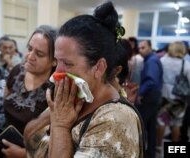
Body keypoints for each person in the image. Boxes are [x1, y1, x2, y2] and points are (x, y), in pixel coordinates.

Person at [23, 2, 144, 158]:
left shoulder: (116, 121)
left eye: (67, 63)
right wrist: (53, 114)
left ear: (99, 67)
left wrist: (60, 125)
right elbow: (29, 137)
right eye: (57, 61)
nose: (57, 71)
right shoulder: (72, 99)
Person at [1, 25, 57, 158]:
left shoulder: (56, 89)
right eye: (29, 49)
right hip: (6, 144)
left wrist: (24, 154)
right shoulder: (16, 72)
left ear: (54, 61)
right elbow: (6, 98)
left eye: (39, 54)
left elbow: (57, 139)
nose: (30, 56)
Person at [156, 41, 190, 149]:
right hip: (179, 98)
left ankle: (158, 147)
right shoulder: (185, 64)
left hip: (164, 95)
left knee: (161, 121)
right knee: (176, 123)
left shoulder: (162, 61)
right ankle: (174, 150)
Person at [136, 40, 163, 158]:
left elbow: (151, 81)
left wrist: (141, 93)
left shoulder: (151, 61)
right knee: (151, 126)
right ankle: (150, 153)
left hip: (149, 95)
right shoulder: (152, 59)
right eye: (140, 48)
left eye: (144, 47)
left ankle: (140, 152)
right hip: (154, 95)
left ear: (150, 47)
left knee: (141, 125)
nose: (141, 50)